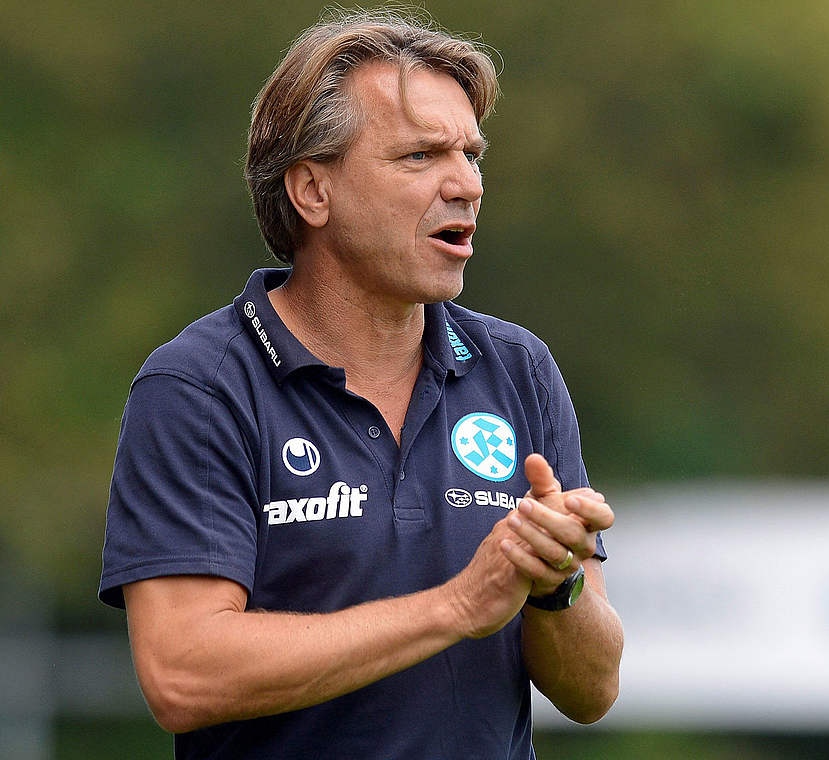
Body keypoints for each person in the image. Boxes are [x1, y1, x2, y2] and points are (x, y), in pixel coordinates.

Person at [98, 9, 623, 758]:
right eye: (419, 156)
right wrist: (457, 606)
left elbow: (594, 689)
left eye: (471, 154)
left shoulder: (518, 367)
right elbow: (183, 674)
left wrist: (553, 583)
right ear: (313, 190)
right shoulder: (199, 387)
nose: (465, 184)